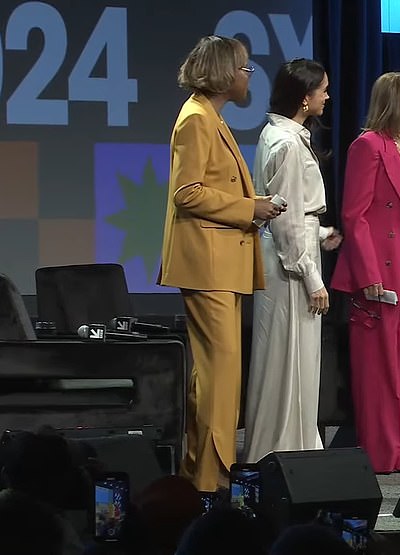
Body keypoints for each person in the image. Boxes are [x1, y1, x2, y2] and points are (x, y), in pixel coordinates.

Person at [158, 35, 284, 492]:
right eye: (244, 67)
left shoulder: (210, 117)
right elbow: (186, 192)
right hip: (206, 263)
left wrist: (253, 204)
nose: (249, 75)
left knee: (217, 375)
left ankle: (204, 473)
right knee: (219, 375)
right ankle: (212, 480)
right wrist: (250, 207)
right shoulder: (196, 120)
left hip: (221, 264)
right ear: (222, 73)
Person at [330, 71, 400, 473]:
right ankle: (381, 454)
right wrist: (368, 273)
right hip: (380, 276)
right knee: (380, 370)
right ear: (398, 102)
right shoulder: (368, 146)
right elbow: (354, 215)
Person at [244, 58, 341, 463]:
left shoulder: (279, 135)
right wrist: (311, 276)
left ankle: (295, 448)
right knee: (288, 362)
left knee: (292, 362)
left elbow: (292, 212)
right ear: (305, 97)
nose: (327, 96)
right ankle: (278, 452)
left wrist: (319, 234)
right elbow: (285, 220)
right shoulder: (286, 142)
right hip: (288, 269)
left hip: (286, 255)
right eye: (322, 90)